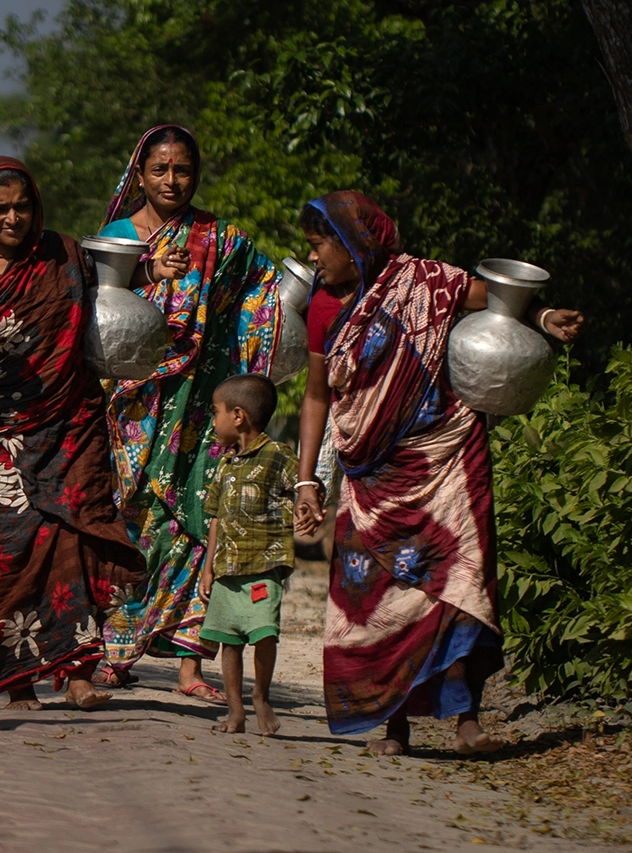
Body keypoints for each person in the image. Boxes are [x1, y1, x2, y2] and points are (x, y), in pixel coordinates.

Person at [293, 191, 583, 756]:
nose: (314, 257)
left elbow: (494, 300)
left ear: (356, 245)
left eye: (320, 243)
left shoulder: (423, 281)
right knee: (379, 595)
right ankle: (395, 723)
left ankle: (465, 717)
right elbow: (314, 398)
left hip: (445, 456)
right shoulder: (323, 308)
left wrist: (544, 316)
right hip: (371, 476)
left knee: (455, 584)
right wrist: (308, 481)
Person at [0, 157, 158, 711]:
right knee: (4, 558)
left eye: (22, 206)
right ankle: (17, 679)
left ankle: (77, 671)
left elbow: (108, 293)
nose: (13, 218)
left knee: (70, 543)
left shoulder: (62, 254)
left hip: (69, 425)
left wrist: (155, 273)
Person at [96, 124, 283, 702]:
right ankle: (113, 655)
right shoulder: (118, 237)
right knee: (132, 522)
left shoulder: (220, 238)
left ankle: (187, 669)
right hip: (134, 407)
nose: (171, 181)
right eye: (160, 170)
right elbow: (92, 298)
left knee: (195, 522)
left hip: (200, 410)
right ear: (140, 174)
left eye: (182, 170)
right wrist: (150, 275)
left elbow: (266, 287)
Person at [199, 374, 298, 737]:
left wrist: (307, 504)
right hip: (227, 568)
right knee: (230, 641)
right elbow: (216, 519)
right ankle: (235, 710)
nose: (214, 420)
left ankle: (261, 696)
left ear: (237, 416)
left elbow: (302, 488)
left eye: (216, 412)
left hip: (265, 565)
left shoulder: (279, 456)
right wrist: (208, 568)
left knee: (264, 632)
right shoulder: (224, 466)